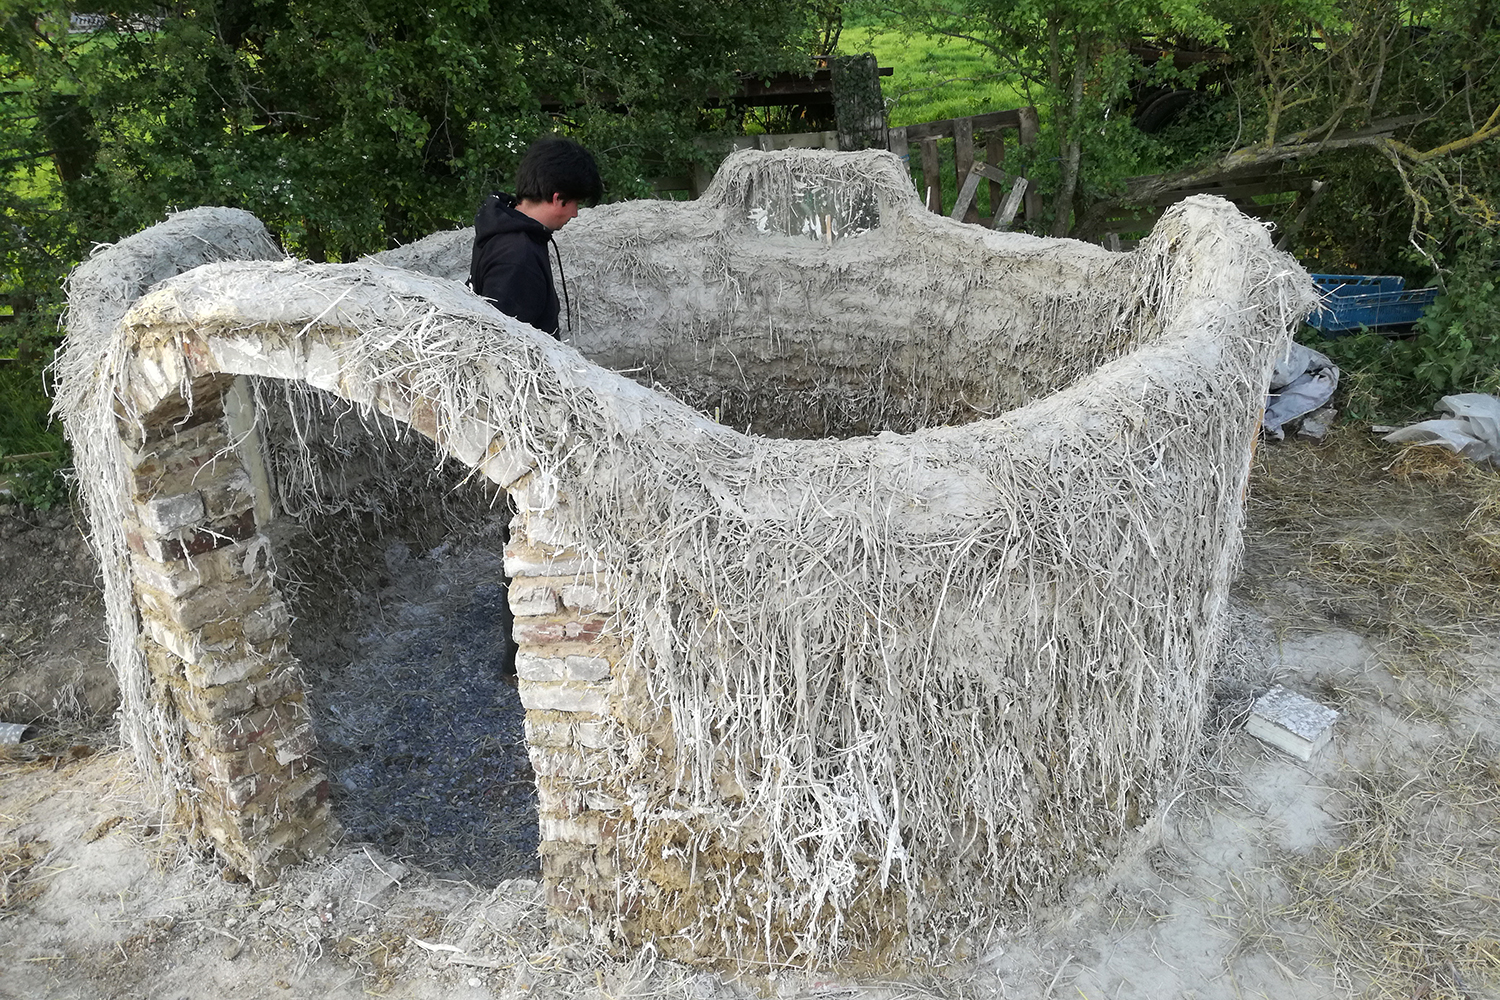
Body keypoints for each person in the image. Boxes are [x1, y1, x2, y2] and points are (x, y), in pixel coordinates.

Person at [469, 136, 603, 338]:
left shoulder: (507, 227)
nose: (575, 213)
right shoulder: (517, 256)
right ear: (558, 198)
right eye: (577, 203)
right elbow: (503, 344)